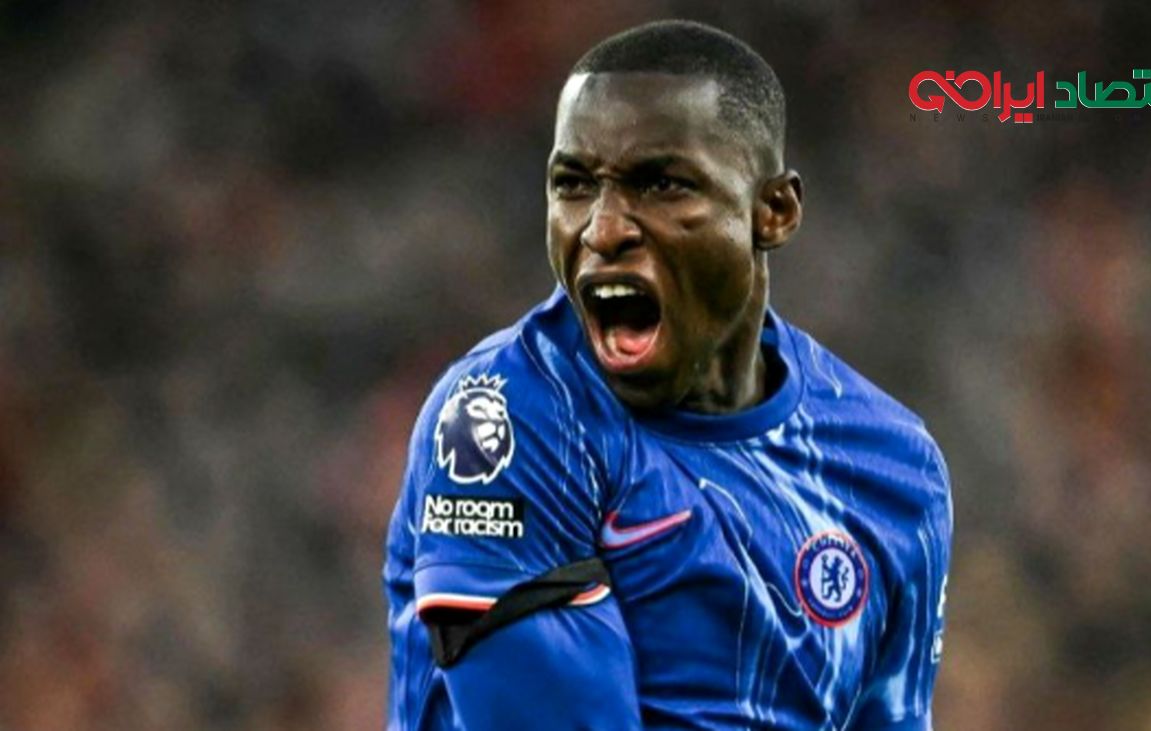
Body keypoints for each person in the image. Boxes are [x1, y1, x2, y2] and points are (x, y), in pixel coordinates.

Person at [384, 19, 952, 730]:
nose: (602, 229)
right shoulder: (509, 416)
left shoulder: (893, 466)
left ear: (773, 211)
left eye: (660, 184)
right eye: (573, 184)